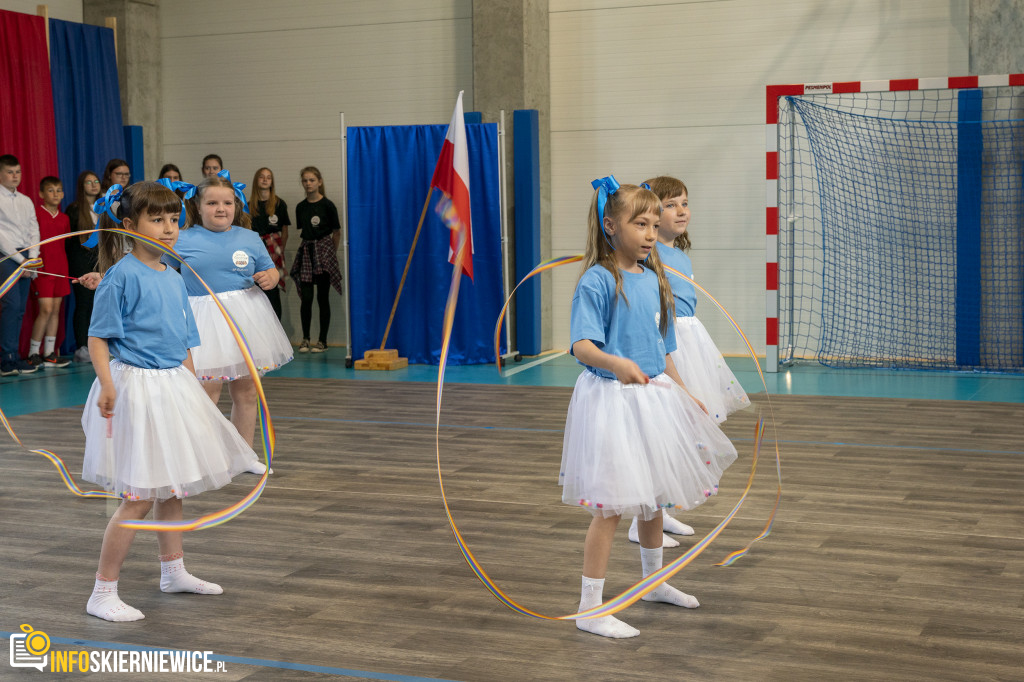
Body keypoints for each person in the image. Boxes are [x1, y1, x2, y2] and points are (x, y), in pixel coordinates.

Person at [562, 176, 737, 639]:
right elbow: (581, 345)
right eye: (640, 223)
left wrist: (685, 391)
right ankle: (590, 607)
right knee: (611, 508)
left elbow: (664, 349)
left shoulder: (655, 278)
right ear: (610, 226)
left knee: (656, 497)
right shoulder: (598, 281)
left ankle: (654, 582)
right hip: (612, 402)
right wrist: (615, 363)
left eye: (652, 224)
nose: (648, 233)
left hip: (653, 397)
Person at [82, 181, 258, 621]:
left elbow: (185, 341)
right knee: (140, 494)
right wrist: (106, 385)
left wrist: (193, 388)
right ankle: (102, 591)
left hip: (172, 384)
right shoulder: (120, 276)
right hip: (135, 388)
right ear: (129, 224)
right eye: (156, 219)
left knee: (173, 485)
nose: (168, 229)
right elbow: (99, 338)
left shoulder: (175, 276)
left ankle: (173, 570)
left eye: (174, 219)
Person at [175, 171, 292, 472]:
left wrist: (271, 276)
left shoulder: (249, 238)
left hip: (247, 317)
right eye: (212, 203)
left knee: (247, 391)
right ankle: (202, 458)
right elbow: (153, 270)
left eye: (227, 202)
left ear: (236, 206)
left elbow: (272, 270)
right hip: (202, 320)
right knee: (206, 393)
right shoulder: (182, 239)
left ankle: (243, 456)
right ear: (197, 208)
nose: (221, 208)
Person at [290, 166, 342, 352]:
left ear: (319, 182)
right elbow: (303, 231)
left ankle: (322, 341)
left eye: (312, 180)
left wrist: (329, 253)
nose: (308, 183)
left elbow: (337, 232)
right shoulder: (301, 207)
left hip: (324, 252)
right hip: (306, 251)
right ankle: (305, 339)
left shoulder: (328, 205)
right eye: (305, 180)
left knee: (322, 298)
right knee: (306, 297)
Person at [0, 154, 41, 376]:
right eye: (9, 172)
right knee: (12, 305)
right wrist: (21, 260)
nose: (15, 176)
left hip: (27, 256)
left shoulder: (26, 200)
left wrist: (32, 259)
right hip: (7, 256)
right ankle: (6, 357)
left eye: (18, 172)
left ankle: (15, 356)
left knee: (21, 309)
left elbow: (33, 229)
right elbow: (1, 236)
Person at [26, 176, 71, 367]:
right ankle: (32, 353)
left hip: (61, 269)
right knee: (45, 309)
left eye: (58, 190)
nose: (55, 194)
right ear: (41, 194)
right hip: (43, 270)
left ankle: (50, 353)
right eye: (51, 190)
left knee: (55, 311)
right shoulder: (35, 214)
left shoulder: (64, 218)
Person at [65, 171, 103, 362]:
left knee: (99, 304)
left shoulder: (103, 208)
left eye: (96, 181)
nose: (93, 185)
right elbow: (69, 242)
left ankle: (99, 345)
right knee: (84, 304)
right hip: (81, 260)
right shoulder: (74, 209)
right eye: (89, 182)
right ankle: (82, 346)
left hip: (99, 260)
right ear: (82, 186)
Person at [249, 167, 290, 319]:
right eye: (261, 177)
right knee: (256, 289)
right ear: (256, 180)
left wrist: (280, 250)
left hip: (274, 250)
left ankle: (276, 330)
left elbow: (285, 231)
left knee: (273, 291)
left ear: (272, 182)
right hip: (256, 250)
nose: (265, 180)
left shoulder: (279, 204)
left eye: (268, 177)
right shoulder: (249, 205)